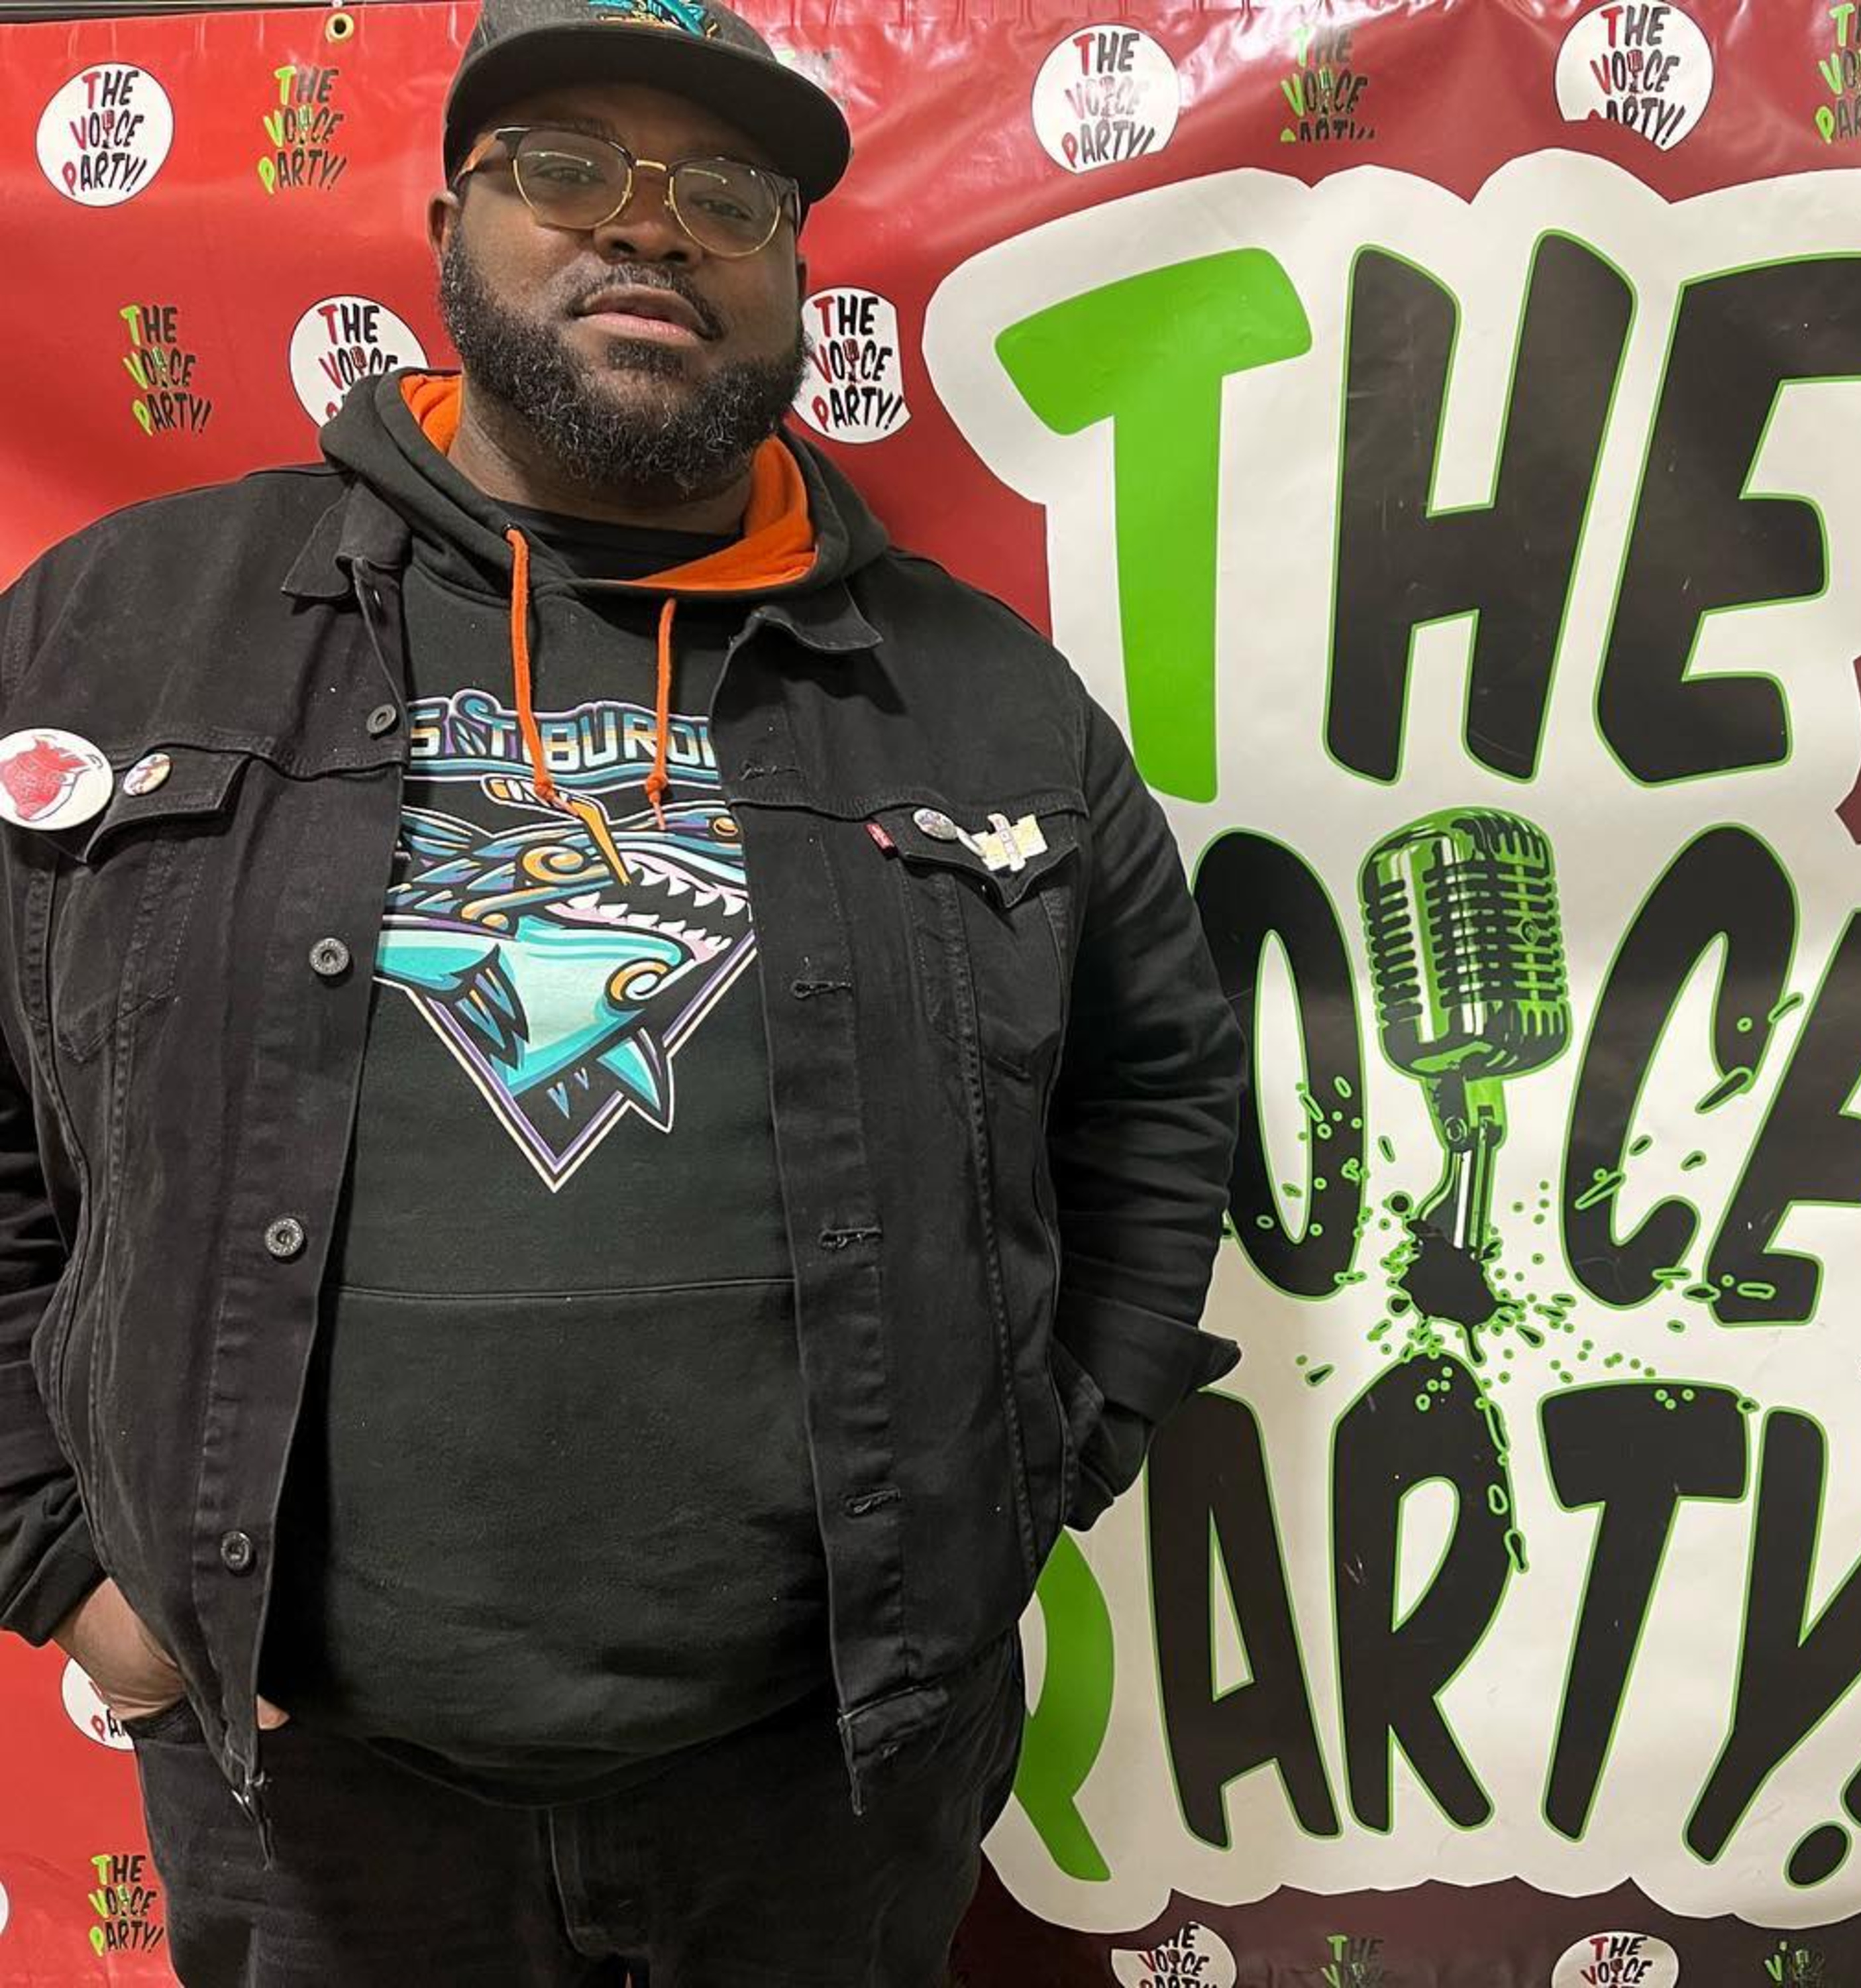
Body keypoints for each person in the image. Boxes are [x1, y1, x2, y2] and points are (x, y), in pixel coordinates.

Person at [0, 0, 1243, 1977]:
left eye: (726, 194)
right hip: (308, 1798)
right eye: (568, 166)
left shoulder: (982, 693)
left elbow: (1157, 1089)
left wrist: (1046, 1458)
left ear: (796, 275)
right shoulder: (122, 629)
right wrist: (59, 1555)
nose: (649, 227)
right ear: (449, 225)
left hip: (827, 1785)